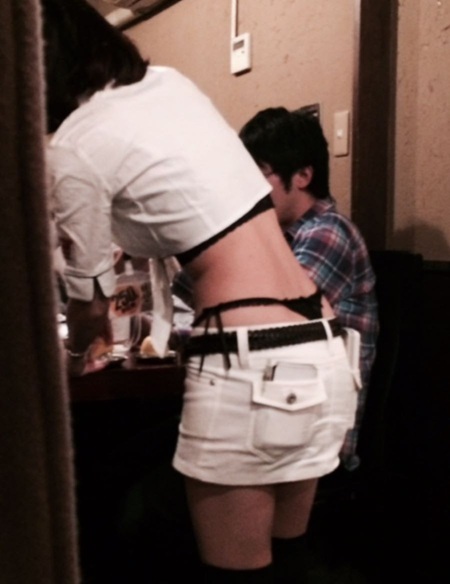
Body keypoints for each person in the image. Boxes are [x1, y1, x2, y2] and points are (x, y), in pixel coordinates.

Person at [42, 1, 360, 581]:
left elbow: (91, 310)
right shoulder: (170, 85)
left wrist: (72, 357)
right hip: (323, 341)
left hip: (249, 359)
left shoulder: (74, 146)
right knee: (289, 560)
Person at [239, 107, 379, 470]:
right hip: (282, 417)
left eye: (258, 173)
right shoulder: (284, 236)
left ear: (303, 175)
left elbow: (272, 320)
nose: (248, 188)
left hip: (315, 442)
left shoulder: (328, 233)